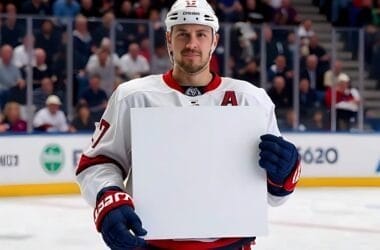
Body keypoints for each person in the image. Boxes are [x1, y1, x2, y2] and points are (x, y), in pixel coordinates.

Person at [75, 1, 301, 249]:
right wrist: (108, 196)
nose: (192, 44)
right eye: (183, 34)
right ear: (169, 39)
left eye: (201, 34)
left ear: (214, 41)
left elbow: (274, 196)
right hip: (153, 244)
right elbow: (97, 162)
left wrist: (284, 172)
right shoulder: (133, 96)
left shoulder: (251, 99)